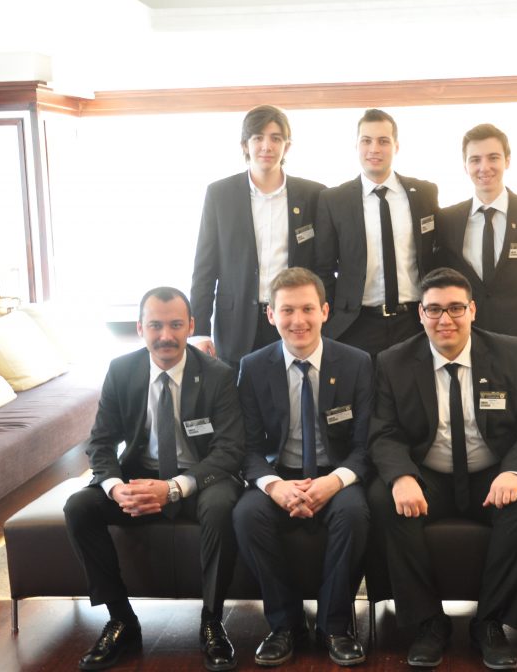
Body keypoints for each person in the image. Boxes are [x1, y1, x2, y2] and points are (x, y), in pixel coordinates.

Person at [368, 267, 517, 670]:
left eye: (455, 308)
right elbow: (383, 432)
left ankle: (489, 623)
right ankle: (428, 623)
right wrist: (402, 476)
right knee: (383, 498)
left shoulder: (512, 352)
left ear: (472, 310)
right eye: (434, 309)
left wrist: (515, 471)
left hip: (492, 473)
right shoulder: (393, 362)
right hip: (429, 475)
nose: (445, 319)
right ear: (420, 314)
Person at [63, 287, 245, 671]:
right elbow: (101, 442)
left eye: (176, 325)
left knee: (220, 507)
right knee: (80, 506)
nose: (166, 335)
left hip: (201, 477)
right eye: (156, 326)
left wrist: (174, 488)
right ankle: (121, 620)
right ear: (140, 328)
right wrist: (116, 488)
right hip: (140, 476)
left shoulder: (218, 375)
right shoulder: (122, 370)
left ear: (191, 326)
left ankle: (212, 621)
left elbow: (229, 451)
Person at [235, 267, 373, 667]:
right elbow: (247, 447)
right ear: (270, 315)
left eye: (308, 309)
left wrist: (334, 482)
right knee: (246, 515)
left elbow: (366, 445)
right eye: (287, 310)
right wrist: (274, 485)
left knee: (354, 514)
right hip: (280, 475)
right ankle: (286, 625)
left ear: (325, 311)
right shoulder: (253, 367)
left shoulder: (357, 363)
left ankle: (335, 626)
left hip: (336, 474)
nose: (299, 320)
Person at [191, 104, 326, 368]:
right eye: (258, 138)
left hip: (293, 319)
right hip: (236, 323)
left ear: (287, 146)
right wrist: (200, 331)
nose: (267, 146)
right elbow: (204, 268)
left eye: (276, 138)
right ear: (245, 145)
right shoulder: (220, 194)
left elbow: (324, 265)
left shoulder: (313, 195)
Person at [314, 108, 440, 357]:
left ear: (396, 146)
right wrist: (332, 319)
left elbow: (436, 255)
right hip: (356, 325)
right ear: (356, 146)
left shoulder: (424, 193)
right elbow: (323, 268)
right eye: (366, 141)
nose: (374, 149)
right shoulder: (334, 200)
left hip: (414, 322)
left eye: (383, 141)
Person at [435, 123, 517, 347]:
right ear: (465, 166)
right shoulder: (447, 220)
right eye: (475, 160)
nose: (484, 167)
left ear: (507, 161)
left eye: (493, 158)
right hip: (465, 345)